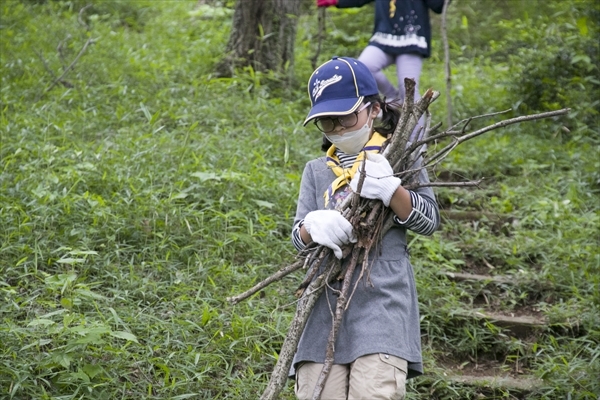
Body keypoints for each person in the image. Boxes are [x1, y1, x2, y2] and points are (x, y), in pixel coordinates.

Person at [290, 56, 440, 399]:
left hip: (382, 302)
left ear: (373, 110)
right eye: (328, 122)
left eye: (346, 118)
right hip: (322, 306)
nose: (339, 129)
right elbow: (297, 237)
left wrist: (392, 191)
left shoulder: (402, 157)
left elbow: (429, 219)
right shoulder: (316, 171)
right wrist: (312, 227)